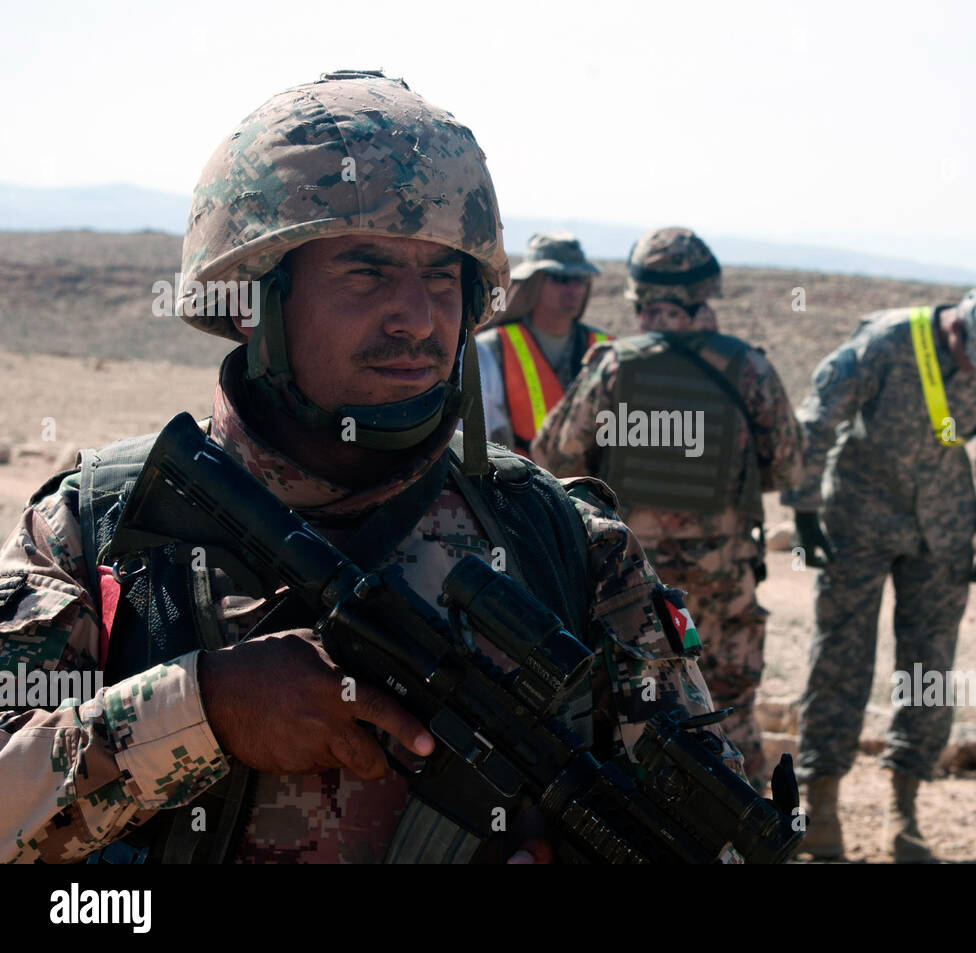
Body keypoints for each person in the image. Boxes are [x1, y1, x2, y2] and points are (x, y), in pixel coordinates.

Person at [0, 70, 740, 864]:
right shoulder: (95, 529)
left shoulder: (568, 543)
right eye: (367, 270)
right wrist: (199, 709)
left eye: (440, 276)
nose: (418, 318)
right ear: (259, 297)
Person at [531, 227, 802, 790]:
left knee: (622, 713)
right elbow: (790, 467)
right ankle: (744, 835)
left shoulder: (611, 366)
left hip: (624, 581)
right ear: (709, 291)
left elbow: (554, 459)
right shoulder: (748, 367)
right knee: (727, 711)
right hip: (723, 582)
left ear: (637, 293)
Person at [782, 288, 976, 861]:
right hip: (859, 516)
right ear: (955, 329)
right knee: (840, 655)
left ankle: (905, 813)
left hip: (943, 524)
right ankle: (821, 810)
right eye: (972, 357)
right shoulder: (886, 342)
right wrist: (804, 509)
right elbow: (819, 419)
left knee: (929, 667)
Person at [475, 232, 609, 454]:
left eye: (581, 280)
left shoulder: (604, 347)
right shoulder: (493, 348)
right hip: (519, 482)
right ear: (533, 283)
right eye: (561, 279)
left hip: (589, 484)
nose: (574, 290)